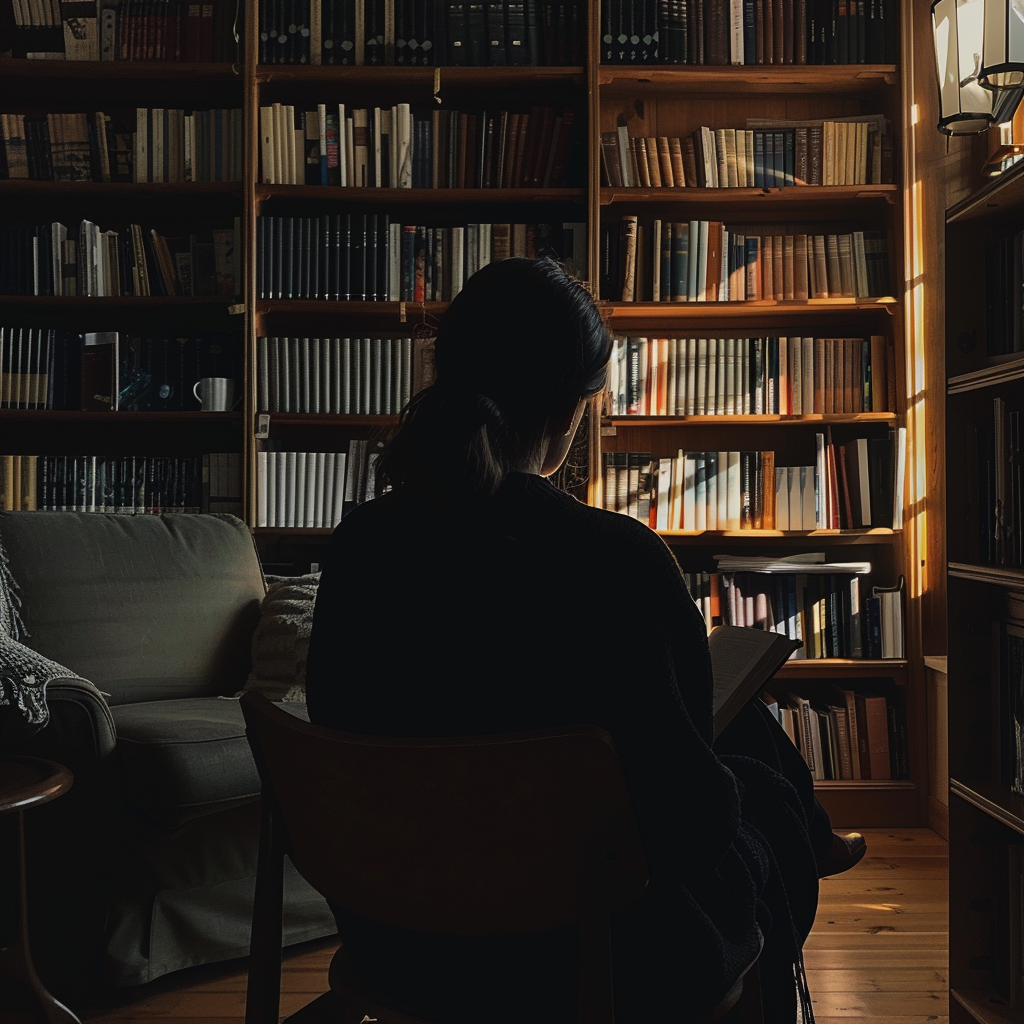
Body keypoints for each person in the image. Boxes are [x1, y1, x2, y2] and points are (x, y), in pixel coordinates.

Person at [305, 256, 864, 1023]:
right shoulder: (617, 557)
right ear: (573, 410)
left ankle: (807, 822)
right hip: (594, 952)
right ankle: (811, 831)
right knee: (755, 788)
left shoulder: (361, 544)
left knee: (741, 751)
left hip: (400, 940)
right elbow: (688, 827)